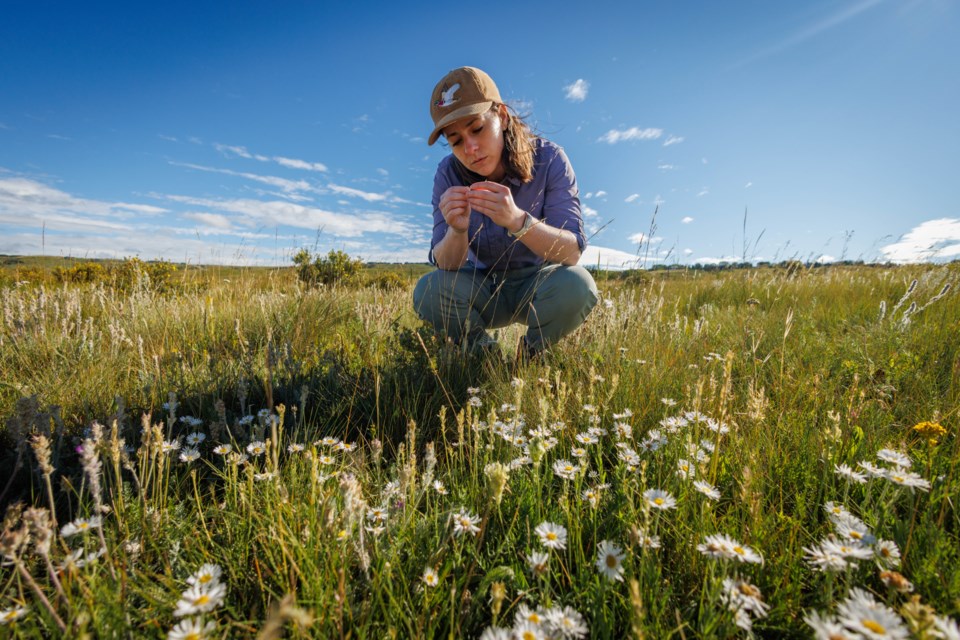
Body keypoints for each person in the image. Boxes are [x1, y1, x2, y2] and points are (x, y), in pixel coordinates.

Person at [412, 66, 599, 364]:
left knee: (578, 284)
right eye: (456, 140)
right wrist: (457, 231)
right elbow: (445, 264)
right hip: (481, 285)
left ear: (501, 115)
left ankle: (531, 360)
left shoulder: (550, 159)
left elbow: (572, 252)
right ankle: (487, 362)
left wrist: (518, 221)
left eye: (477, 129)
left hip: (537, 284)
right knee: (427, 291)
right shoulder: (447, 173)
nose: (470, 148)